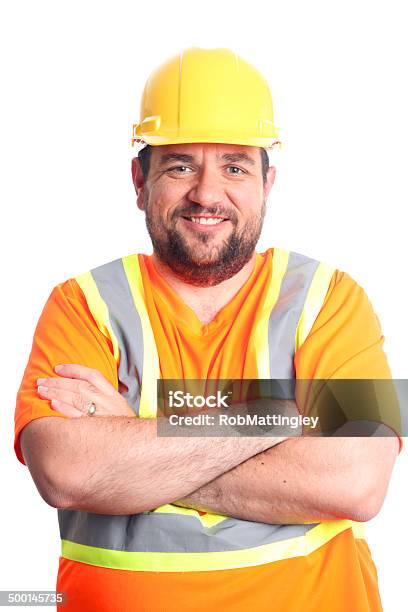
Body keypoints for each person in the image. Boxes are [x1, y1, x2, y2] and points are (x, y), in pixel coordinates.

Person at [14, 47, 402, 612]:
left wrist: (139, 440)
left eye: (235, 166)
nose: (207, 193)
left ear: (268, 182)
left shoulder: (332, 299)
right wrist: (279, 415)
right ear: (139, 180)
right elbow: (67, 470)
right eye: (179, 166)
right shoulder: (83, 305)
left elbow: (358, 482)